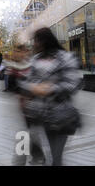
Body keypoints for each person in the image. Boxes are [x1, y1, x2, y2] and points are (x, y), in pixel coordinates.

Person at [19, 28, 82, 166]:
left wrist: (49, 89)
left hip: (60, 116)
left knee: (56, 157)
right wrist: (33, 88)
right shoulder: (35, 60)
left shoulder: (66, 57)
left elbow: (73, 83)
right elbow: (24, 82)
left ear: (43, 41)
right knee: (47, 155)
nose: (33, 44)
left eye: (35, 40)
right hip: (40, 116)